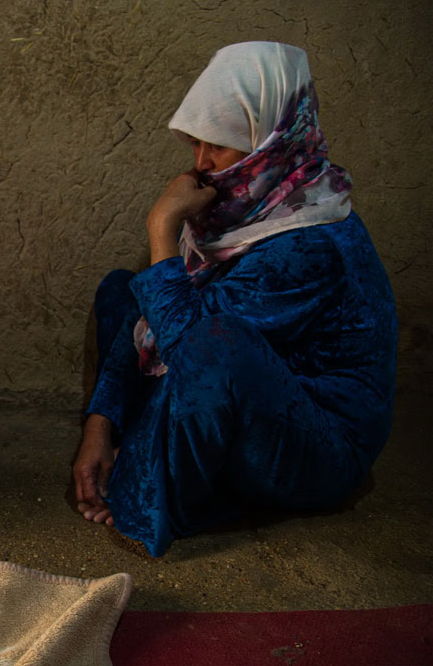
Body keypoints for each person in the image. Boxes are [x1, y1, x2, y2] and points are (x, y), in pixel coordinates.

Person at [72, 42, 397, 557]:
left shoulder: (309, 242)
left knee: (210, 336)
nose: (202, 166)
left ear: (271, 144)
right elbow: (162, 317)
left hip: (318, 447)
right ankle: (156, 444)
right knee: (125, 290)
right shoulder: (251, 211)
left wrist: (162, 226)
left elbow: (192, 344)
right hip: (254, 392)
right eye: (196, 145)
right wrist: (99, 424)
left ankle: (176, 489)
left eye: (219, 147)